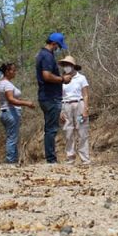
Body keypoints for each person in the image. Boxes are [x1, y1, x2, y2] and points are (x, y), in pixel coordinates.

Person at [35, 32, 72, 163]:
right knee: (51, 129)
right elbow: (46, 75)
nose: (58, 49)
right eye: (58, 46)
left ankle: (51, 158)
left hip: (46, 96)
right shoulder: (47, 56)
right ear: (54, 43)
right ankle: (51, 159)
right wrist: (62, 79)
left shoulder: (41, 55)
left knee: (49, 128)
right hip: (50, 97)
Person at [0, 62, 35, 164]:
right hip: (10, 112)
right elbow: (11, 100)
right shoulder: (7, 84)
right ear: (7, 72)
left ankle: (13, 160)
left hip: (3, 112)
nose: (15, 72)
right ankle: (10, 161)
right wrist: (27, 103)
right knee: (12, 138)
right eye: (13, 70)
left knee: (11, 136)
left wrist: (16, 100)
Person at [58, 55, 91, 165]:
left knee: (82, 131)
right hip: (66, 106)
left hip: (79, 105)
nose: (66, 67)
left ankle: (85, 158)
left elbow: (85, 94)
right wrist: (61, 111)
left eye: (68, 64)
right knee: (68, 132)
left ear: (73, 66)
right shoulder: (61, 79)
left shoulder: (81, 78)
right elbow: (60, 96)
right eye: (64, 65)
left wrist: (85, 109)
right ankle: (70, 158)